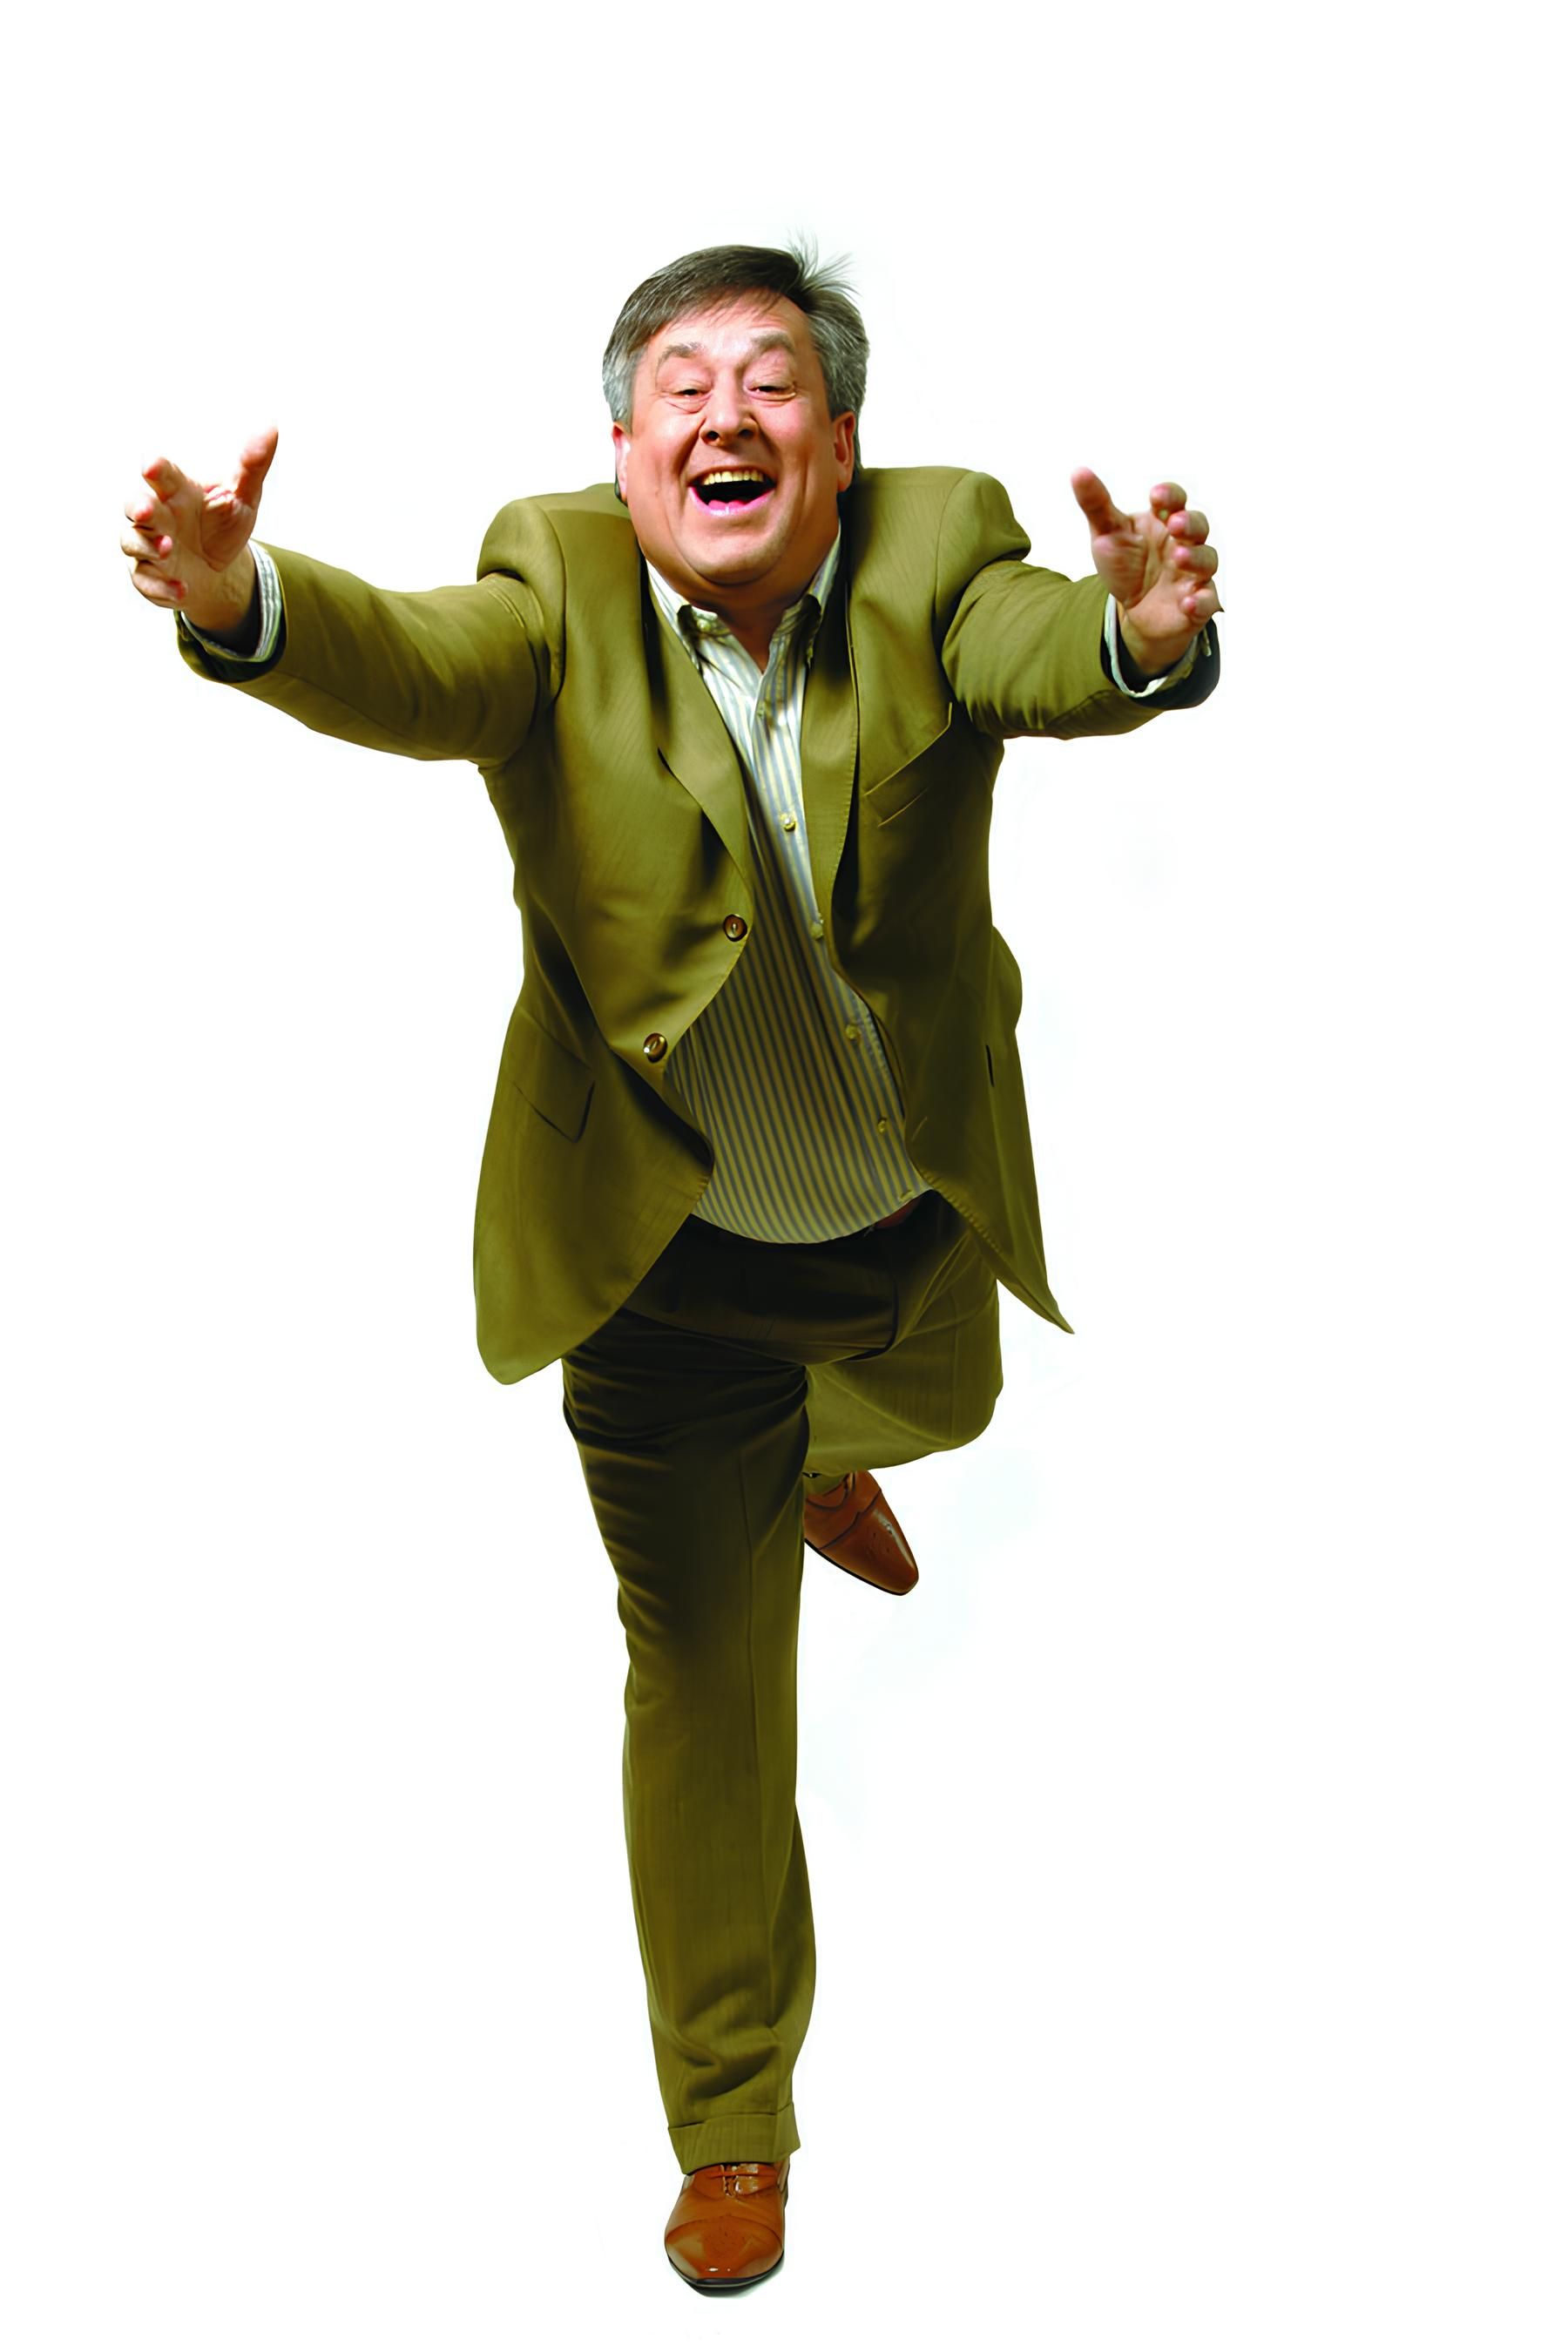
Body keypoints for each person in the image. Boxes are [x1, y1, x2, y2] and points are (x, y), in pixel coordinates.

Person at [122, 240, 1221, 2294]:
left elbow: (1036, 650)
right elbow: (415, 663)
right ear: (624, 451)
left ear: (841, 444)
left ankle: (828, 1450)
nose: (727, 415)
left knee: (951, 1401)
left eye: (773, 382)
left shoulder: (937, 551)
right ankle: (731, 2129)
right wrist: (244, 607)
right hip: (665, 1280)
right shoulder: (550, 585)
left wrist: (1138, 640)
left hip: (904, 1233)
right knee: (711, 1703)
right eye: (680, 387)